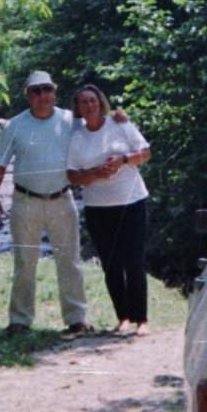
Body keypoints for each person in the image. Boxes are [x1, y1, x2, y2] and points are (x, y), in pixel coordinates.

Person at [0, 71, 91, 335]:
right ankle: (20, 320)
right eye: (36, 91)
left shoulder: (70, 121)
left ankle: (77, 318)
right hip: (25, 200)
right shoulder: (15, 126)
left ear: (54, 92)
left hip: (62, 199)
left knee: (70, 260)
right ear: (28, 96)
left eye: (47, 89)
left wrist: (120, 120)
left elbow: (98, 130)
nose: (42, 95)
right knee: (25, 262)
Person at [66, 84, 152, 337]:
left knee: (134, 262)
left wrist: (122, 160)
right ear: (78, 108)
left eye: (93, 100)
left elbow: (146, 153)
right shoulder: (77, 138)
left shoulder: (120, 124)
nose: (89, 105)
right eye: (84, 102)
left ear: (100, 102)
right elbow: (72, 175)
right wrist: (94, 173)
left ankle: (142, 320)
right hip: (98, 208)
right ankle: (123, 318)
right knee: (111, 264)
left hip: (132, 202)